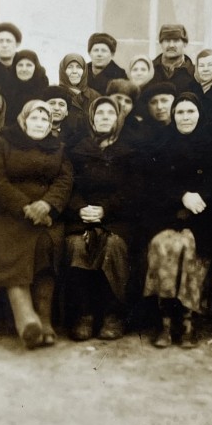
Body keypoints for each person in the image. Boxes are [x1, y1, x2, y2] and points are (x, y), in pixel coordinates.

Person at [0, 100, 73, 349]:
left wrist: (47, 205)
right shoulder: (3, 142)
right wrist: (25, 206)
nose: (39, 123)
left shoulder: (58, 147)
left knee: (47, 243)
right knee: (12, 247)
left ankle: (44, 319)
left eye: (45, 119)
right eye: (34, 118)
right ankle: (26, 320)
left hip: (45, 214)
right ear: (23, 120)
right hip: (9, 214)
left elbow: (64, 181)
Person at [141, 92, 212, 348]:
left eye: (190, 112)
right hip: (166, 217)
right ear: (173, 117)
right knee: (164, 245)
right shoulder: (161, 145)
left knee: (188, 245)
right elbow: (153, 184)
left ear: (199, 114)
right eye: (180, 113)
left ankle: (187, 320)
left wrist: (200, 197)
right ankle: (165, 321)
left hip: (203, 219)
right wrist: (181, 196)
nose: (185, 117)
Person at [65, 96, 140, 341]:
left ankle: (113, 314)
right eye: (100, 113)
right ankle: (84, 315)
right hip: (83, 216)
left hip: (117, 218)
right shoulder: (78, 150)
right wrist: (81, 209)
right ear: (92, 119)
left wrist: (104, 210)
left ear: (118, 118)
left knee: (113, 245)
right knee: (77, 244)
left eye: (110, 113)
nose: (105, 117)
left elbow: (133, 190)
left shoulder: (129, 151)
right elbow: (70, 186)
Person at [151, 24, 203, 97]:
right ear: (161, 43)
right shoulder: (149, 70)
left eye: (176, 40)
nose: (171, 45)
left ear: (185, 43)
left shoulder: (195, 73)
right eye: (167, 40)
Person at [4, 49, 49, 124]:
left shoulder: (45, 91)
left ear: (36, 67)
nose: (24, 69)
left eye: (29, 65)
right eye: (20, 65)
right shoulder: (5, 90)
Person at [43, 85, 86, 149]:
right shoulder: (32, 133)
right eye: (52, 103)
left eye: (61, 104)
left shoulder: (72, 138)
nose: (56, 108)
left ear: (67, 112)